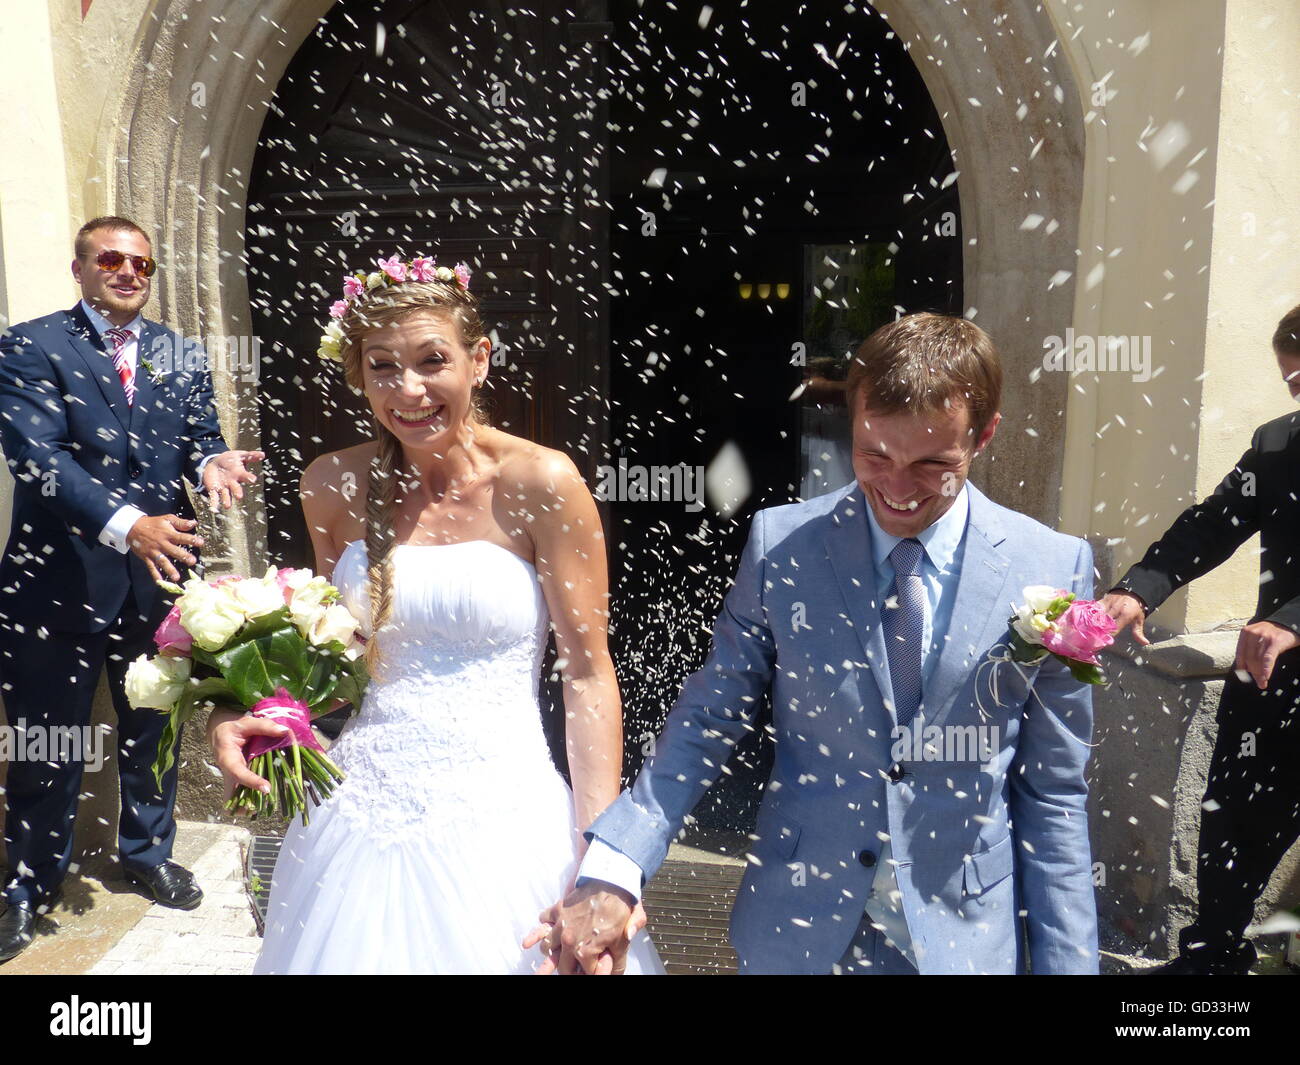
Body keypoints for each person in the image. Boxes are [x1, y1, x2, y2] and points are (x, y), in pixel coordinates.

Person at [535, 312, 1100, 974]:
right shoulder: (783, 546)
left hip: (963, 942)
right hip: (795, 932)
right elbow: (707, 719)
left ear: (986, 433)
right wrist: (614, 866)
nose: (897, 486)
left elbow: (1054, 793)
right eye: (874, 455)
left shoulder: (1054, 568)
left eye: (933, 464)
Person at [208, 256, 661, 974]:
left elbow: (586, 674)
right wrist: (244, 708)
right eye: (383, 366)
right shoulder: (329, 484)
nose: (409, 389)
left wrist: (599, 859)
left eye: (432, 360)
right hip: (356, 811)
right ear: (357, 372)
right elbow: (336, 659)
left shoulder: (541, 480)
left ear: (478, 359)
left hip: (506, 815)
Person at [0, 216, 263, 963]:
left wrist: (212, 463)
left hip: (155, 581)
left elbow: (198, 434)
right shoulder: (30, 345)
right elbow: (37, 458)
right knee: (46, 744)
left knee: (153, 731)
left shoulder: (179, 351)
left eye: (141, 264)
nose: (128, 272)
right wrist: (130, 523)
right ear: (80, 268)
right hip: (51, 587)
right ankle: (28, 883)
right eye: (110, 259)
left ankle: (147, 855)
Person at [1102, 303, 1300, 975]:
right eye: (1295, 384)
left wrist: (1293, 620)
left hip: (1281, 640)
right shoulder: (1278, 445)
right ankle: (1211, 964)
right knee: (1232, 825)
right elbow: (1212, 523)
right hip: (1274, 683)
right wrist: (1140, 586)